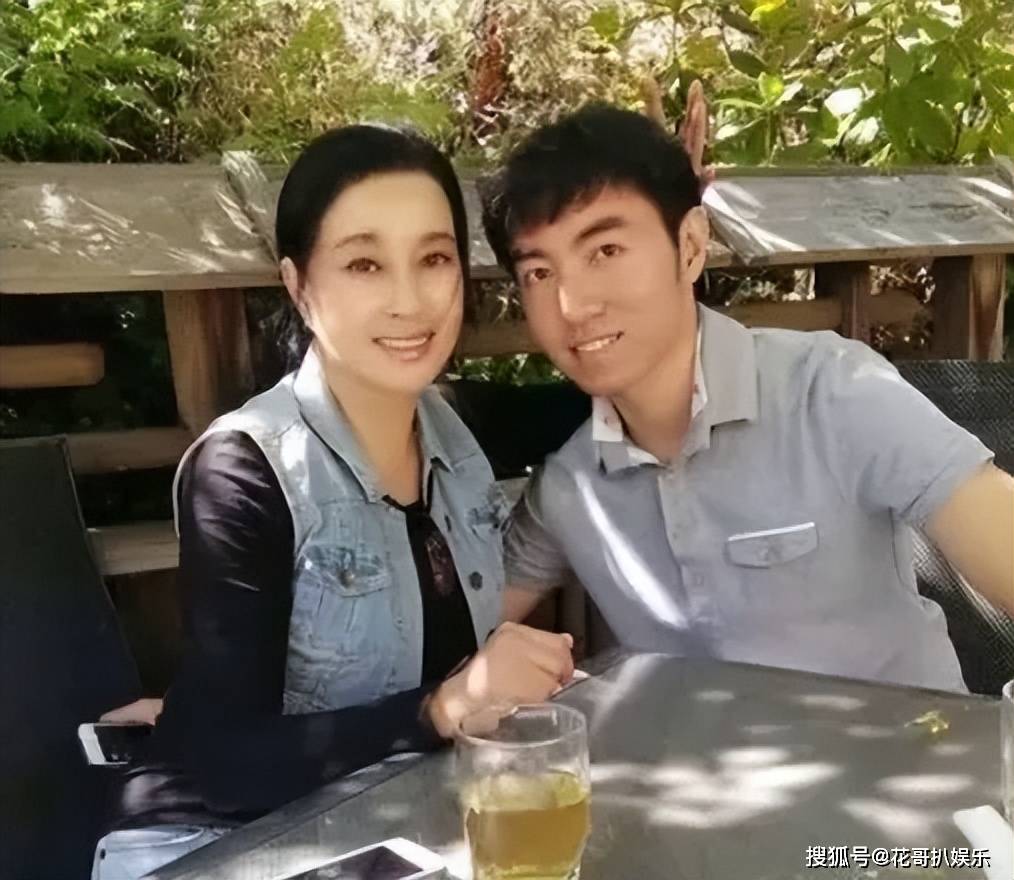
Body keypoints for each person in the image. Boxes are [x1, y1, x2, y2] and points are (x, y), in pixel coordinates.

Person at [91, 124, 575, 880]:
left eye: (434, 259)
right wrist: (441, 709)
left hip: (385, 830)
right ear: (299, 286)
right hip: (207, 845)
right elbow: (220, 760)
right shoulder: (245, 472)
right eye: (364, 264)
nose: (409, 300)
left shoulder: (456, 427)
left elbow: (613, 384)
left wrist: (662, 235)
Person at [481, 104, 1014, 692]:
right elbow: (464, 649)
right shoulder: (571, 487)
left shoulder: (832, 392)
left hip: (917, 745)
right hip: (693, 752)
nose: (573, 305)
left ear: (690, 246)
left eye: (605, 251)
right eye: (539, 273)